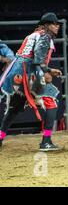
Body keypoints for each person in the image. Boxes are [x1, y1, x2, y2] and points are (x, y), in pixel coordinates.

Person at [0, 13, 63, 151]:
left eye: (57, 24)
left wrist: (48, 69)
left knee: (14, 108)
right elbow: (37, 60)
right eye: (54, 23)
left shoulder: (32, 35)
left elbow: (26, 55)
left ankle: (0, 137)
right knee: (52, 102)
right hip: (28, 72)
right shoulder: (45, 36)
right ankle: (46, 141)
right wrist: (46, 72)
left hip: (15, 73)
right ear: (46, 25)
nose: (57, 26)